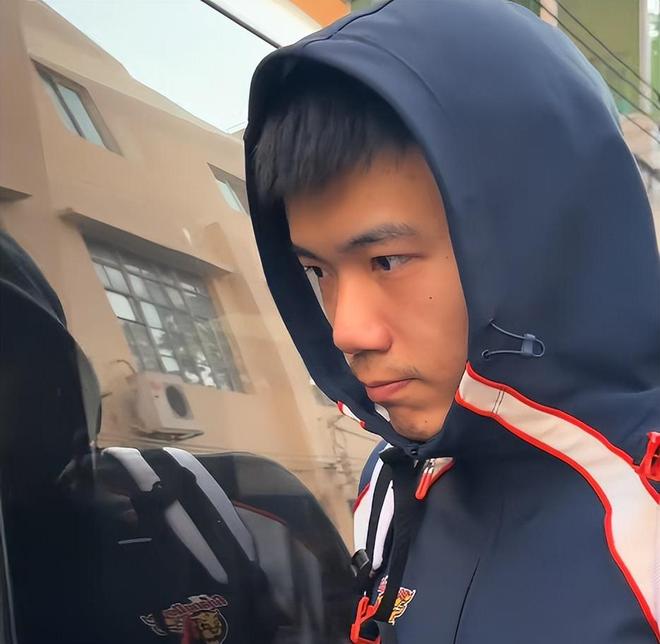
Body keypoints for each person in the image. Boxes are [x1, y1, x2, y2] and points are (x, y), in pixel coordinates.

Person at [244, 0, 660, 642]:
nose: (346, 332)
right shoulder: (392, 488)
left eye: (386, 261)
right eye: (318, 272)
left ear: (540, 244)